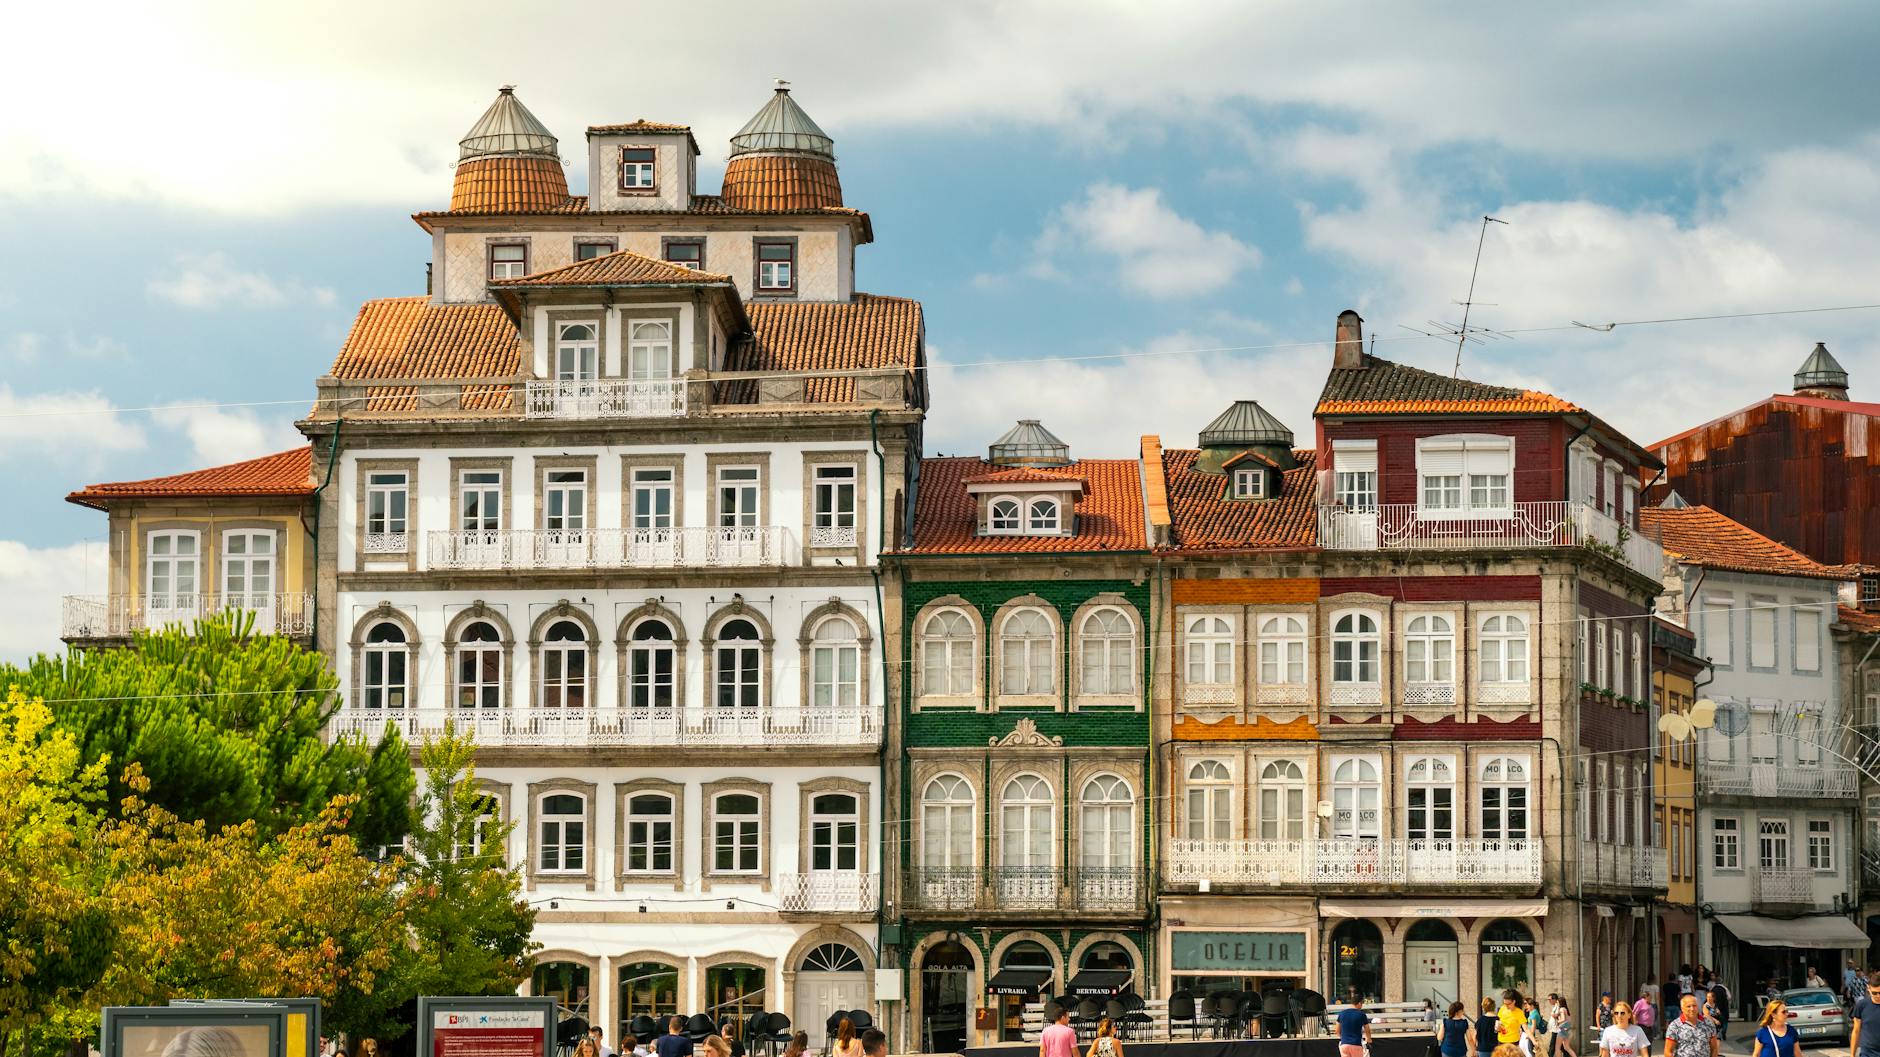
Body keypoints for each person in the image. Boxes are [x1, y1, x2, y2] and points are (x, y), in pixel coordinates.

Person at [1851, 977, 1880, 1057]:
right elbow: (1856, 1031)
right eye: (1874, 993)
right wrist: (1852, 1055)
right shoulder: (1861, 1005)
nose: (1878, 996)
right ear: (1868, 989)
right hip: (1867, 1053)